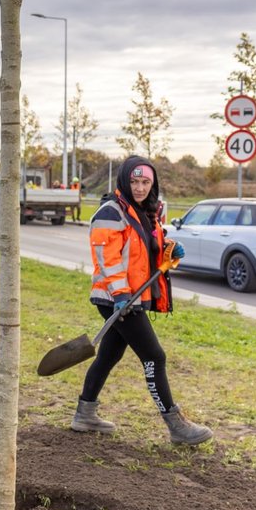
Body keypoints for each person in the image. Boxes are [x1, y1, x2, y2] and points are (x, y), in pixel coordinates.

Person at [70, 156, 213, 446]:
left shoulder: (145, 211)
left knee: (110, 354)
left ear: (153, 183)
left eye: (145, 182)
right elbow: (107, 259)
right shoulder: (112, 212)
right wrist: (121, 295)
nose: (139, 187)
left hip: (129, 298)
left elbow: (144, 251)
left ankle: (85, 414)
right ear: (124, 180)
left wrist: (169, 248)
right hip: (116, 299)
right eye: (134, 181)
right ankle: (177, 426)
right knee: (154, 356)